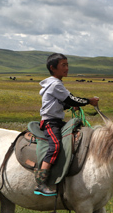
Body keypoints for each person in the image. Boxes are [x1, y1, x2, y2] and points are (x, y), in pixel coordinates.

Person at [35, 53, 99, 196]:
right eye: (63, 65)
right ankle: (41, 182)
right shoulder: (55, 84)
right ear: (53, 67)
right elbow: (72, 99)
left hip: (57, 120)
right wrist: (89, 101)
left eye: (67, 64)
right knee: (55, 146)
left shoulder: (56, 83)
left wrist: (69, 106)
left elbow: (61, 103)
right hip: (50, 122)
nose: (67, 68)